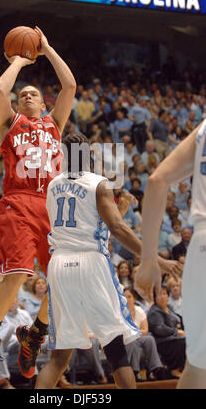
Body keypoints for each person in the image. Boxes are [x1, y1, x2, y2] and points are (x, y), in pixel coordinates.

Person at [0, 26, 76, 387]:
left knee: (64, 279)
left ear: (44, 104)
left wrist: (46, 48)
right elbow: (1, 89)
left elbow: (70, 87)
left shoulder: (54, 124)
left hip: (51, 206)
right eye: (23, 95)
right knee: (17, 274)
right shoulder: (10, 124)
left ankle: (34, 336)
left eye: (34, 93)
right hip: (18, 202)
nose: (27, 95)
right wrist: (18, 60)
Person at [35, 132, 143, 389]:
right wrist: (151, 256)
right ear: (88, 155)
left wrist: (119, 210)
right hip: (90, 263)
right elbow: (114, 228)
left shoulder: (52, 185)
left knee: (59, 358)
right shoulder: (99, 183)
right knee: (116, 350)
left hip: (60, 264)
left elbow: (82, 222)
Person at [134, 120, 206, 388]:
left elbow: (156, 180)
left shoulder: (203, 129)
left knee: (198, 369)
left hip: (200, 246)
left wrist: (149, 261)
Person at [124, 287, 168, 382]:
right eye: (124, 297)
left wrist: (133, 333)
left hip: (137, 338)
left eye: (129, 297)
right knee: (133, 342)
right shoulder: (120, 313)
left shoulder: (139, 310)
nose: (127, 299)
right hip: (126, 341)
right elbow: (123, 333)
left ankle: (155, 369)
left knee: (149, 339)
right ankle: (135, 372)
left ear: (134, 298)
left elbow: (145, 330)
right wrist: (135, 333)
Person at [147, 285, 186, 379]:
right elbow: (159, 329)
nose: (163, 296)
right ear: (155, 298)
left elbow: (180, 321)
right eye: (159, 294)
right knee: (182, 341)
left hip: (175, 337)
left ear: (168, 296)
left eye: (164, 294)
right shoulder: (154, 312)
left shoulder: (169, 308)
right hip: (163, 341)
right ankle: (175, 370)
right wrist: (176, 331)